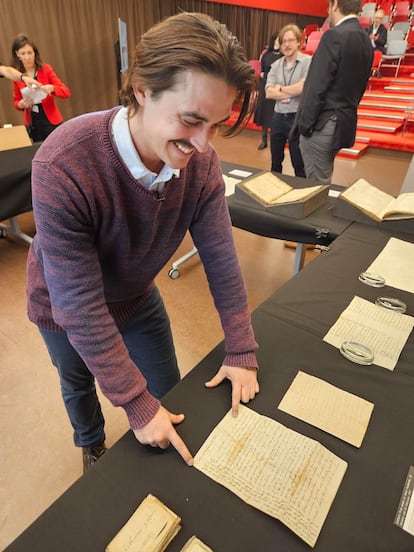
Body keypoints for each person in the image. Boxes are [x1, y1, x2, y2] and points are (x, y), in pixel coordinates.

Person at [26, 12, 260, 473]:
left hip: (135, 298)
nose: (203, 144)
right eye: (192, 120)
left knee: (168, 394)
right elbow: (78, 304)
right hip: (60, 309)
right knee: (78, 384)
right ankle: (90, 443)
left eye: (214, 125)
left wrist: (241, 349)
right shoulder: (63, 163)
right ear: (142, 89)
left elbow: (221, 259)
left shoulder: (201, 164)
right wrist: (135, 404)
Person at [293, 0, 373, 183]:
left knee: (316, 187)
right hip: (343, 123)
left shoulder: (334, 35)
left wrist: (304, 126)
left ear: (335, 4)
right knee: (323, 177)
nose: (327, 11)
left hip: (322, 124)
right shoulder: (365, 40)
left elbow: (316, 86)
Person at [265, 24, 311, 176]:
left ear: (299, 42)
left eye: (290, 40)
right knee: (275, 162)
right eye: (283, 41)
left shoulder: (307, 62)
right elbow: (269, 93)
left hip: (297, 118)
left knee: (299, 163)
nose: (287, 44)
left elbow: (303, 89)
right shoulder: (276, 65)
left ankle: (301, 193)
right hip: (278, 117)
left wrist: (281, 89)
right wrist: (293, 90)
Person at [11, 34, 71, 142]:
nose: (27, 57)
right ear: (17, 55)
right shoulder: (17, 76)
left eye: (30, 53)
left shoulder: (46, 69)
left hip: (50, 121)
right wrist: (21, 104)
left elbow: (66, 92)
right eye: (23, 53)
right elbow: (16, 102)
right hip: (33, 123)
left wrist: (52, 88)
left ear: (35, 53)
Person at [253, 33, 282, 150]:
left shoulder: (283, 56)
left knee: (274, 114)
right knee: (264, 113)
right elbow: (263, 70)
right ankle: (263, 140)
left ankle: (274, 141)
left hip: (277, 86)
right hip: (265, 85)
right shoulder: (266, 55)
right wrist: (261, 74)